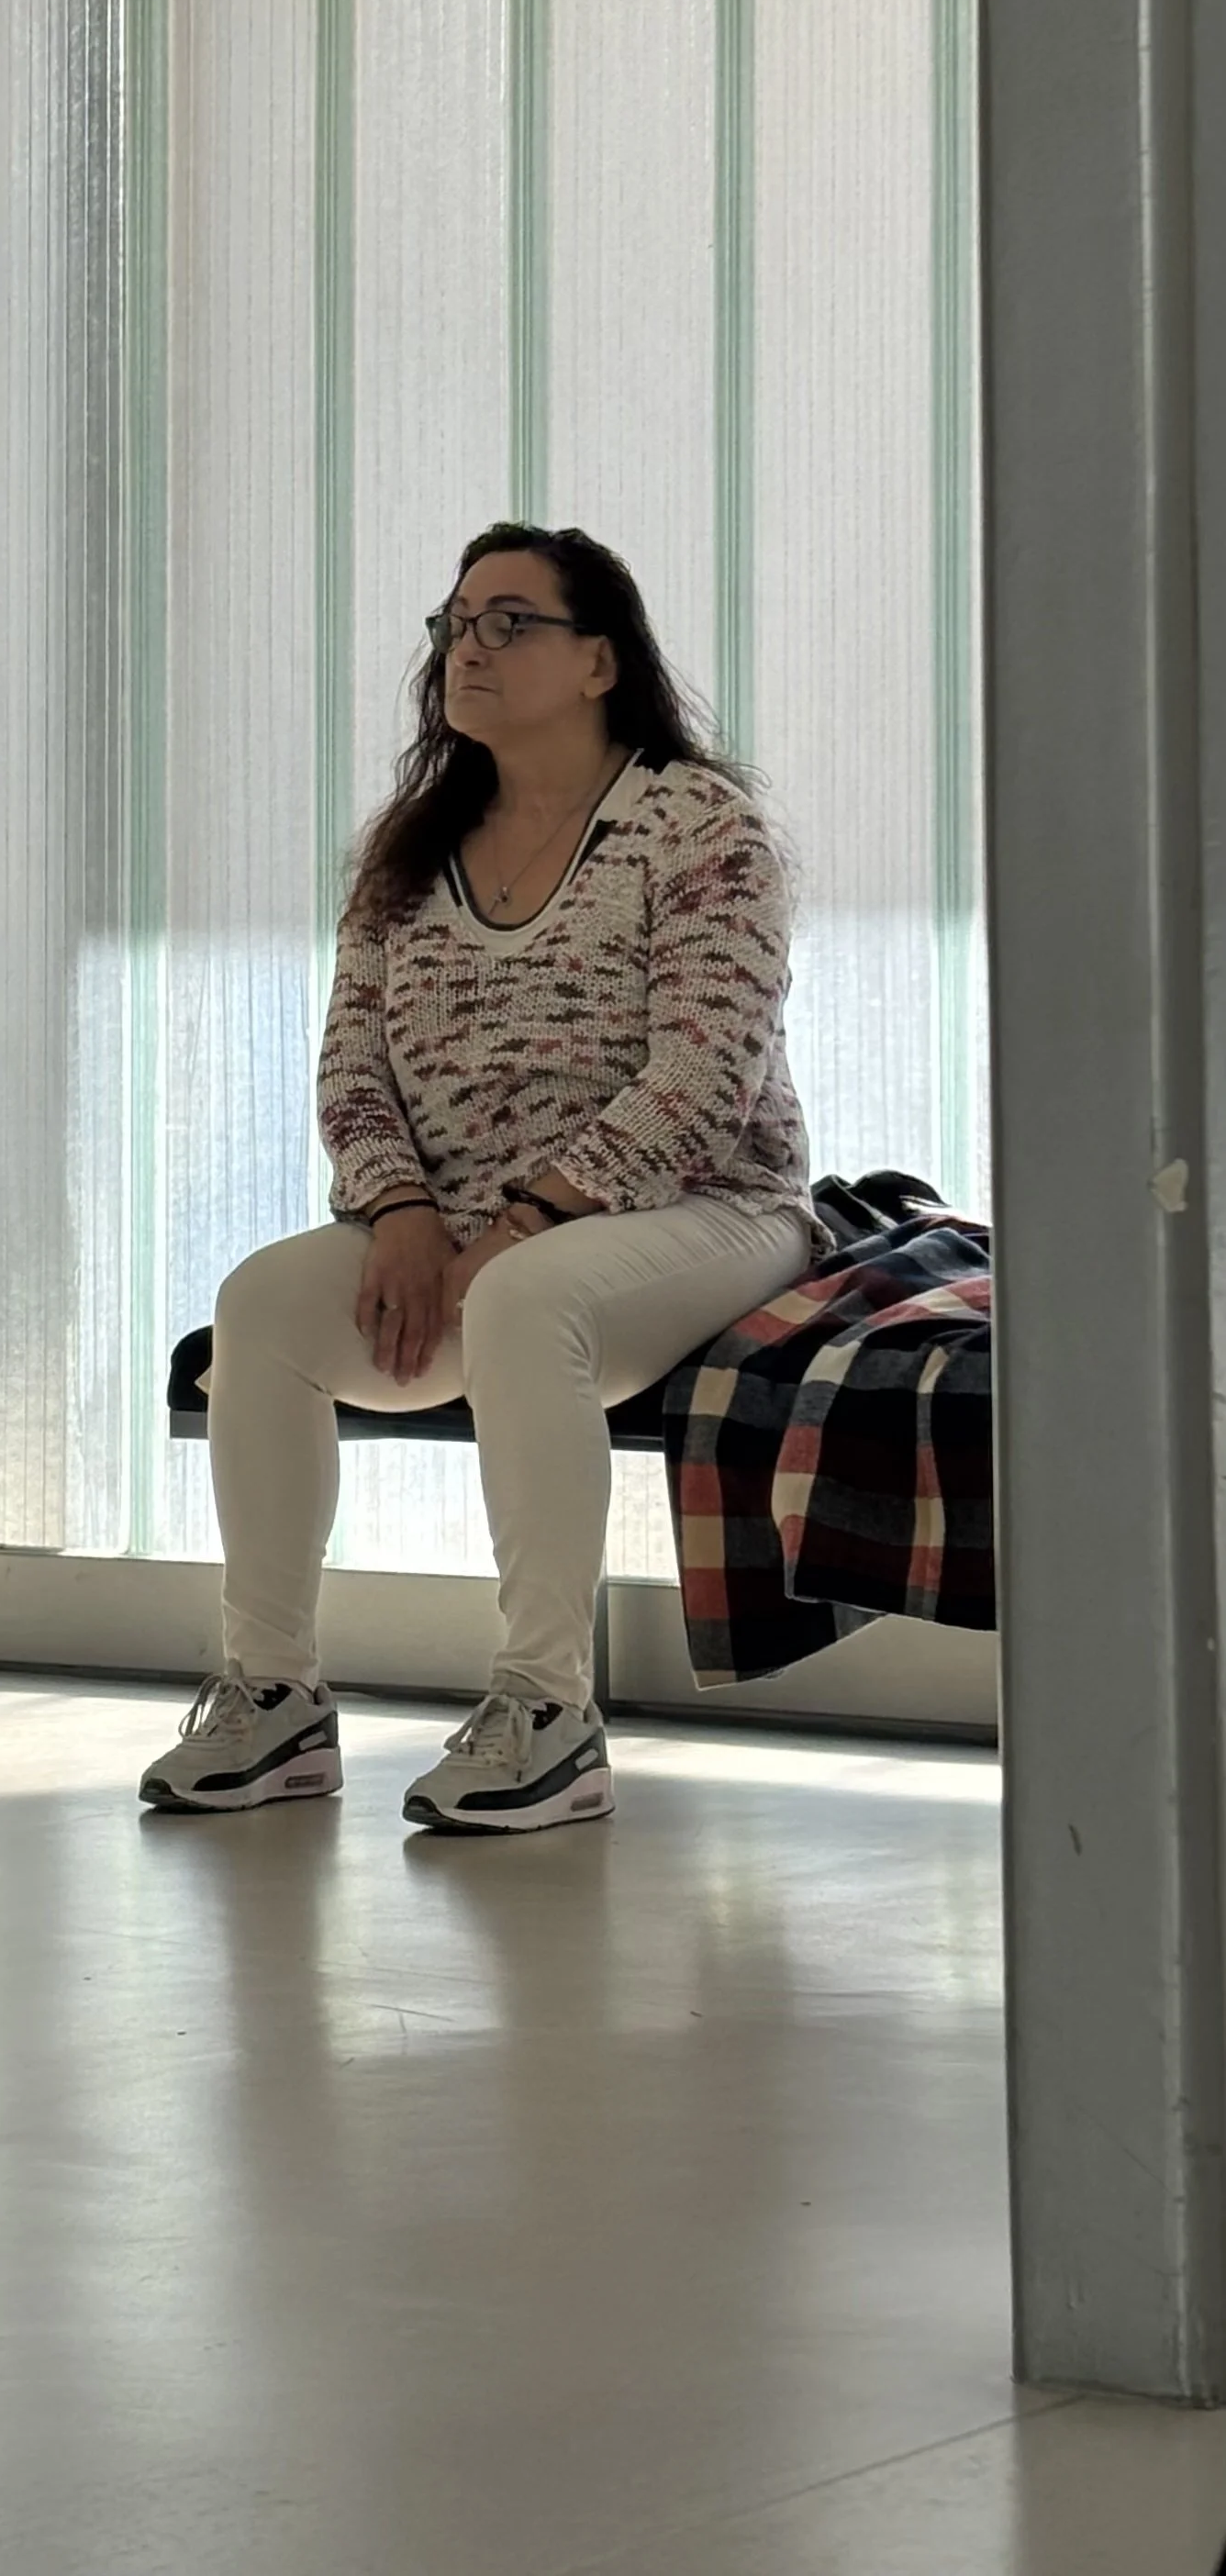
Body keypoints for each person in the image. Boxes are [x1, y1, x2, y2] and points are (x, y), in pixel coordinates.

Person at [139, 522, 817, 1836]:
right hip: (456, 1229)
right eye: (455, 623)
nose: (470, 646)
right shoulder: (409, 848)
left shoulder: (698, 827)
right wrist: (397, 1213)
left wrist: (526, 1218)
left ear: (600, 662)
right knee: (261, 1306)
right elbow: (351, 1070)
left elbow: (702, 1076)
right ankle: (274, 1696)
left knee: (526, 1297)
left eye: (511, 621)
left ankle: (548, 1713)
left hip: (709, 1212)